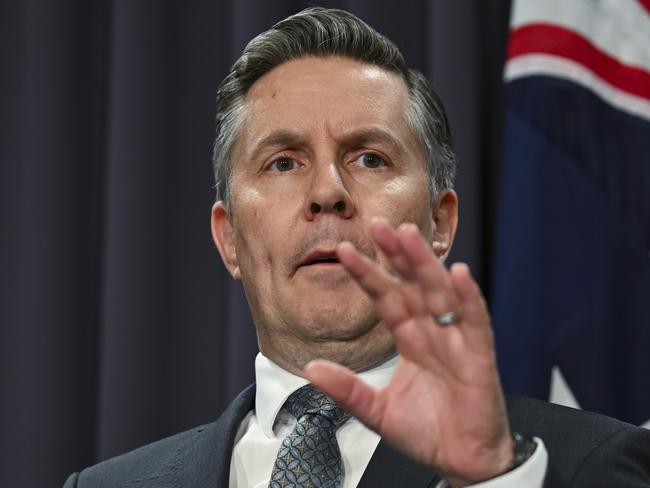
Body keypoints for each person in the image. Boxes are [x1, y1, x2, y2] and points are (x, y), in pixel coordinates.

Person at [64, 8, 650, 488]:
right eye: (283, 162)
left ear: (440, 222)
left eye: (370, 158)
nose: (327, 192)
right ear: (229, 238)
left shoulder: (595, 465)